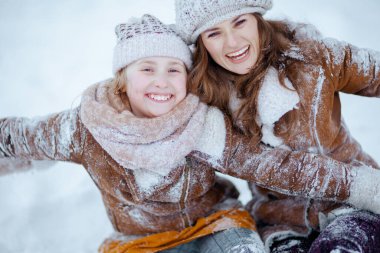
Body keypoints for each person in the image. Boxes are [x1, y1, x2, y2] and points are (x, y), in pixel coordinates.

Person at [0, 12, 378, 253]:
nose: (161, 82)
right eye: (146, 69)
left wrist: (364, 188)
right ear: (122, 77)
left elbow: (272, 165)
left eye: (174, 70)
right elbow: (19, 136)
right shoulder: (89, 127)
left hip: (220, 226)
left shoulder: (201, 124)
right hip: (147, 241)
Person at [175, 0, 380, 252]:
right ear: (202, 43)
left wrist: (368, 188)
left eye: (240, 22)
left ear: (258, 19)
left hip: (353, 208)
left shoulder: (314, 58)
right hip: (280, 221)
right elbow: (263, 164)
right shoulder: (207, 103)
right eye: (214, 33)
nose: (232, 43)